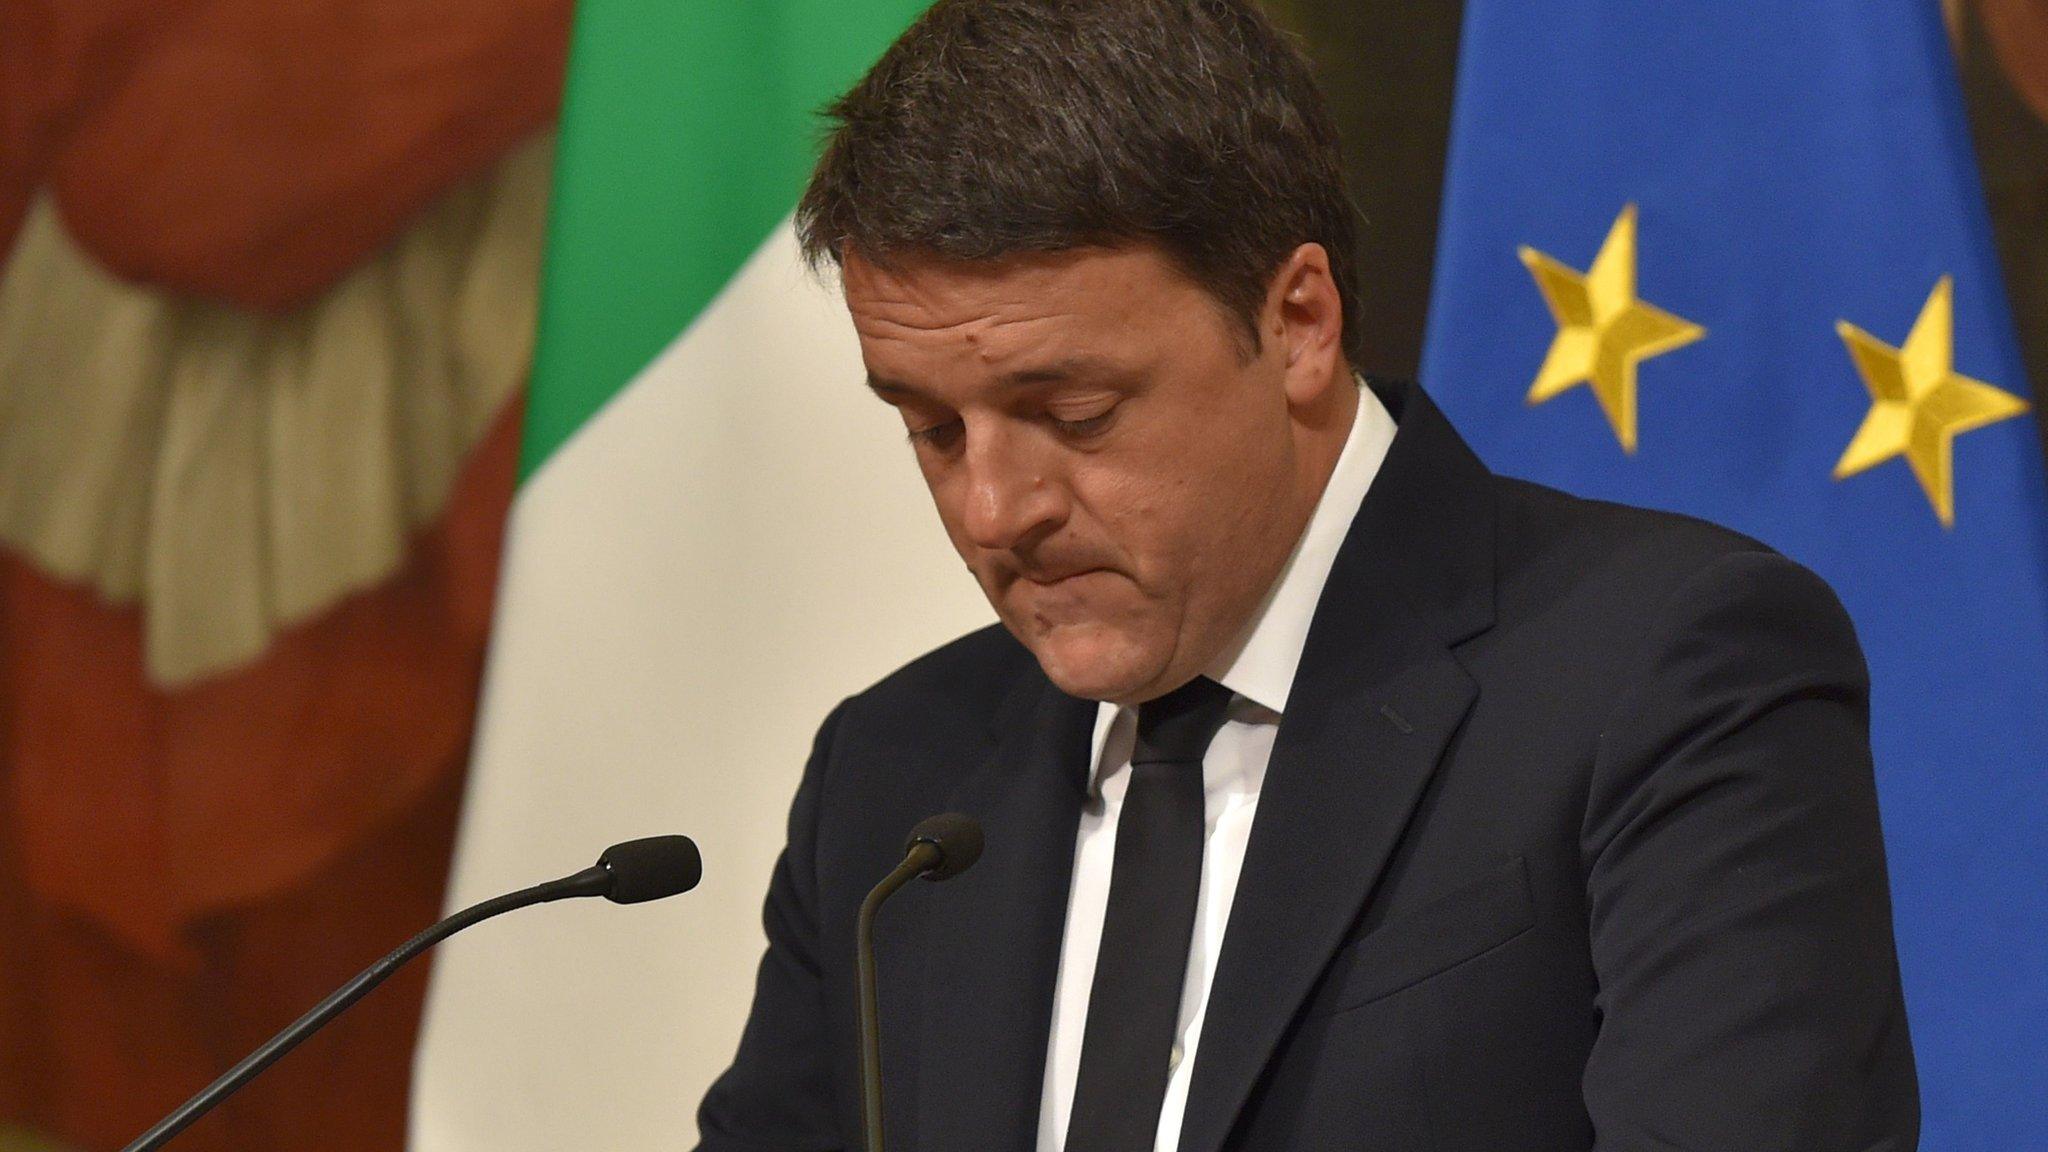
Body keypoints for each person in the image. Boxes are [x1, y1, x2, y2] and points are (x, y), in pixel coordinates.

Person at [694, 1, 1919, 1149]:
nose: (992, 510)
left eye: (1071, 412)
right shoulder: (891, 774)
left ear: (1296, 323)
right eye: (932, 428)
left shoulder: (1664, 675)